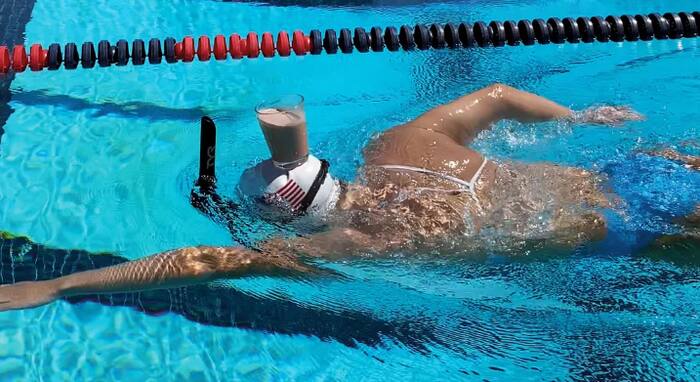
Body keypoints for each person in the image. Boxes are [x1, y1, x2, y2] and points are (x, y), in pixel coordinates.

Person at [1, 83, 695, 313]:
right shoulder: (396, 146)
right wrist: (574, 120)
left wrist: (62, 283)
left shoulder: (359, 247)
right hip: (629, 170)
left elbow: (198, 262)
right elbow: (500, 96)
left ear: (298, 227)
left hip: (624, 226)